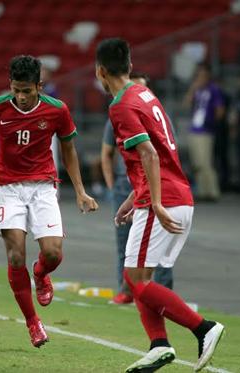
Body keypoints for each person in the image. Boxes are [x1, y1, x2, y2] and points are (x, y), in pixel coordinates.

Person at [96, 38, 224, 372]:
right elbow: (160, 155)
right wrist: (131, 199)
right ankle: (159, 345)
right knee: (140, 276)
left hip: (163, 199)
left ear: (100, 72)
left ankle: (204, 328)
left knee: (136, 280)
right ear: (129, 64)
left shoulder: (121, 105)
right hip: (172, 193)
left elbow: (151, 155)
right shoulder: (145, 94)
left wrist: (152, 202)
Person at [0, 55, 98, 348]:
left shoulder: (57, 110)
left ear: (39, 86)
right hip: (8, 188)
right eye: (16, 90)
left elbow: (69, 150)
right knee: (15, 256)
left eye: (27, 90)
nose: (21, 97)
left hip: (43, 187)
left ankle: (41, 274)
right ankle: (33, 322)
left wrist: (81, 191)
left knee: (53, 254)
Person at [100, 72, 173, 305]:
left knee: (157, 245)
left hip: (152, 183)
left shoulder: (156, 114)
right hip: (127, 183)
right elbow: (106, 153)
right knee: (126, 240)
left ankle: (162, 292)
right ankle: (128, 290)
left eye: (142, 87)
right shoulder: (119, 113)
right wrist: (113, 187)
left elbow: (160, 154)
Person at [183, 63, 225, 201]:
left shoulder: (214, 90)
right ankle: (202, 191)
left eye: (203, 75)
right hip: (194, 129)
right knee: (197, 164)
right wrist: (193, 88)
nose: (200, 78)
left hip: (206, 130)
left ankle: (212, 192)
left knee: (205, 162)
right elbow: (186, 103)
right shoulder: (197, 90)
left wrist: (212, 122)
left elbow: (220, 110)